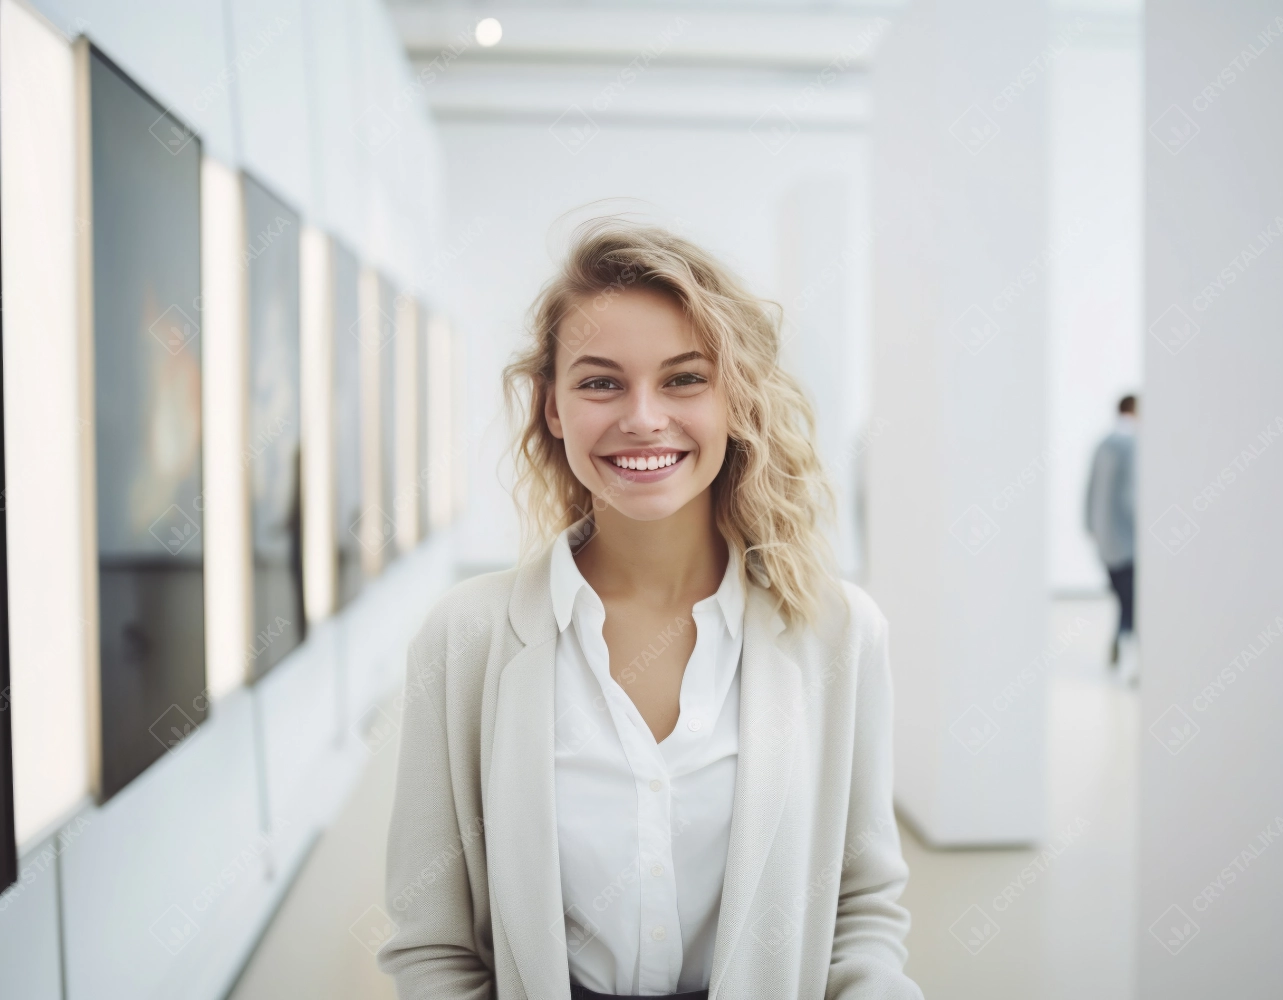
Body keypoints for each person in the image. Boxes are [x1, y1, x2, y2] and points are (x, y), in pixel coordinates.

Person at [377, 220, 922, 999]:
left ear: (736, 399)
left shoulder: (839, 633)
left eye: (684, 379)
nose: (642, 417)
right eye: (600, 382)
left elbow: (862, 909)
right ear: (553, 406)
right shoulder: (465, 638)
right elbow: (431, 945)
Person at [1085, 394, 1137, 681]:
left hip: (1106, 539)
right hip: (1127, 541)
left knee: (1126, 600)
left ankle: (1120, 643)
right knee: (1132, 602)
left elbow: (1089, 488)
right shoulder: (1132, 445)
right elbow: (1132, 497)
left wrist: (1090, 526)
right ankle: (1129, 656)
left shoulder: (1103, 444)